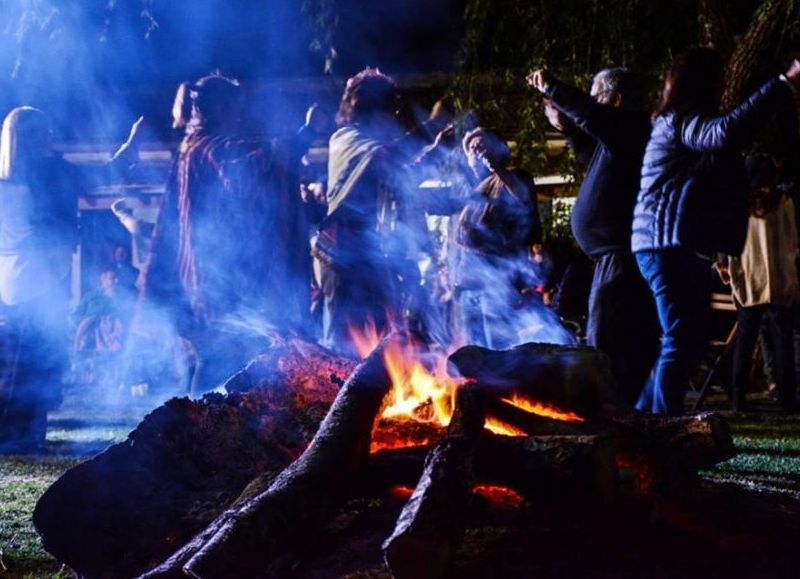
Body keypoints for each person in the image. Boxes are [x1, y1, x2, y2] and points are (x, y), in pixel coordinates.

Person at [630, 47, 800, 415]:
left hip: (669, 244)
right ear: (703, 82)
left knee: (684, 339)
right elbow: (723, 133)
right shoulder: (681, 120)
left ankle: (644, 419)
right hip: (665, 244)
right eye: (718, 79)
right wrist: (782, 84)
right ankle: (660, 428)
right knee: (681, 339)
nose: (723, 85)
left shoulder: (673, 121)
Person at [143, 74, 324, 393]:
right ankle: (202, 431)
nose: (240, 116)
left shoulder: (191, 147)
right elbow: (255, 169)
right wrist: (307, 133)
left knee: (225, 357)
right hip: (220, 280)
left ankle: (206, 429)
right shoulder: (213, 147)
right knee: (223, 358)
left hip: (207, 277)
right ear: (221, 108)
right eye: (235, 108)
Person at [0, 107, 139, 450]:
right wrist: (132, 145)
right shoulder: (49, 174)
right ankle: (22, 436)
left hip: (11, 278)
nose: (51, 138)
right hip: (38, 277)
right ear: (30, 137)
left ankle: (20, 435)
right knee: (37, 360)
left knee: (20, 360)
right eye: (43, 132)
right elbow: (106, 173)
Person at [527, 67, 659, 408]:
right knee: (608, 344)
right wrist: (567, 128)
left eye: (596, 96)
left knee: (608, 347)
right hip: (612, 259)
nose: (591, 104)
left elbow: (590, 115)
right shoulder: (618, 140)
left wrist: (554, 86)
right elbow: (589, 152)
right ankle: (621, 416)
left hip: (622, 259)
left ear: (615, 101)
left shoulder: (632, 127)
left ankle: (616, 420)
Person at [313, 68, 420, 355]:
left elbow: (397, 174)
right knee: (342, 337)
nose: (393, 114)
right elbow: (384, 157)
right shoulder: (345, 139)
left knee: (381, 333)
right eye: (389, 106)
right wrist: (429, 141)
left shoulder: (376, 144)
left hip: (370, 252)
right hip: (340, 250)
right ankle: (335, 396)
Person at [717, 154, 799, 412]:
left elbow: (727, 242)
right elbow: (792, 238)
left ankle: (738, 399)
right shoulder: (784, 202)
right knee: (782, 341)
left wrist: (723, 265)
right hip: (779, 278)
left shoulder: (736, 206)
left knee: (745, 341)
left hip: (749, 280)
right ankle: (786, 399)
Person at [451, 127, 543, 348]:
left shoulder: (513, 176)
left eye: (482, 146)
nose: (477, 153)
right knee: (473, 351)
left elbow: (522, 196)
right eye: (472, 150)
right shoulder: (472, 191)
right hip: (468, 285)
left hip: (497, 281)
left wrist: (498, 169)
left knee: (499, 347)